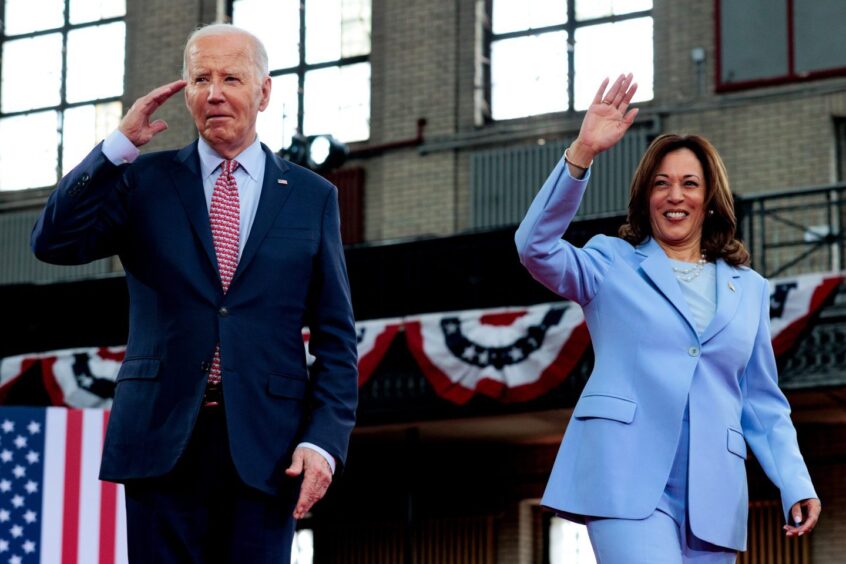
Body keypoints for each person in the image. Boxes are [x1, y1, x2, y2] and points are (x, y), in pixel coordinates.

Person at [31, 23, 358, 563]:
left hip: (268, 447)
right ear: (184, 92)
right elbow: (52, 241)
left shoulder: (311, 196)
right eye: (200, 78)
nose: (214, 93)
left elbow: (336, 338)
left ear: (264, 91)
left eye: (231, 77)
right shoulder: (142, 180)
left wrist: (323, 440)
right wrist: (115, 150)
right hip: (161, 440)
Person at [515, 74, 821, 563]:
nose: (674, 195)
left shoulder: (750, 289)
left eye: (689, 183)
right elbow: (535, 248)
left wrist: (794, 480)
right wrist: (582, 153)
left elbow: (762, 400)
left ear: (711, 199)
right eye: (662, 184)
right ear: (646, 197)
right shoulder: (609, 263)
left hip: (714, 493)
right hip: (624, 476)